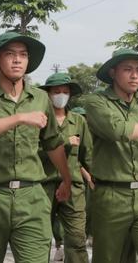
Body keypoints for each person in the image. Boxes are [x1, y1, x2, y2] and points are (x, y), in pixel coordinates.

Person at [0, 32, 72, 263]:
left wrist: (67, 179)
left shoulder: (41, 98)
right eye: (10, 54)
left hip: (31, 196)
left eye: (23, 55)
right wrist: (18, 118)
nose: (17, 60)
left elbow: (52, 142)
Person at [84, 48, 138, 263]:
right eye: (128, 70)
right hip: (111, 195)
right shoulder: (96, 102)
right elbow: (117, 130)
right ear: (113, 73)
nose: (134, 76)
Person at [40, 73, 93, 263]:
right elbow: (31, 150)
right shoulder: (40, 119)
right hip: (43, 185)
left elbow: (88, 154)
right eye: (56, 92)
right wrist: (64, 142)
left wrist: (94, 178)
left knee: (77, 238)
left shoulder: (78, 121)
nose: (61, 95)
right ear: (48, 94)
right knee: (40, 238)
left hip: (73, 186)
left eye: (65, 92)